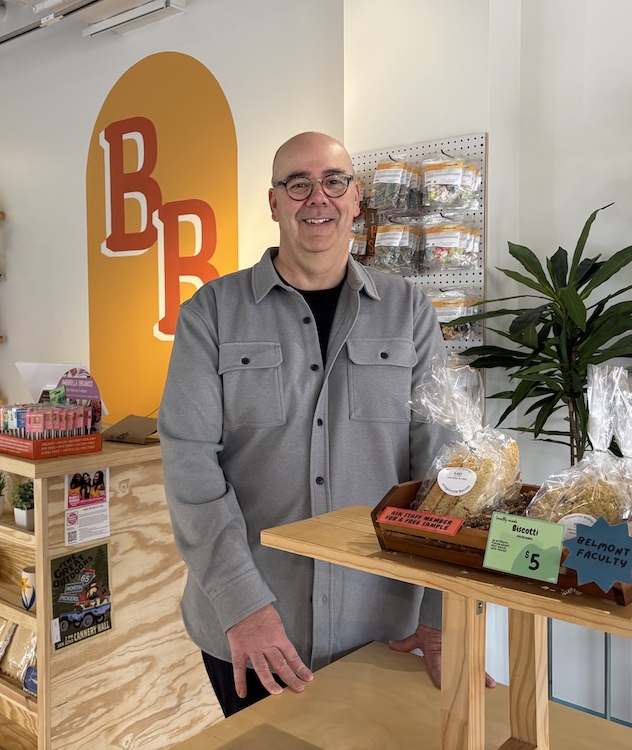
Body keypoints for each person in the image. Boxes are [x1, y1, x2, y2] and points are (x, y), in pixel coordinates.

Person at [159, 131, 495, 717]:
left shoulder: (409, 312)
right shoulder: (209, 314)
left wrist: (444, 615)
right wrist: (243, 605)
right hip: (255, 628)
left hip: (380, 621)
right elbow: (190, 469)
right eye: (298, 184)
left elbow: (444, 468)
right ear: (273, 202)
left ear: (356, 196)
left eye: (333, 181)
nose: (318, 198)